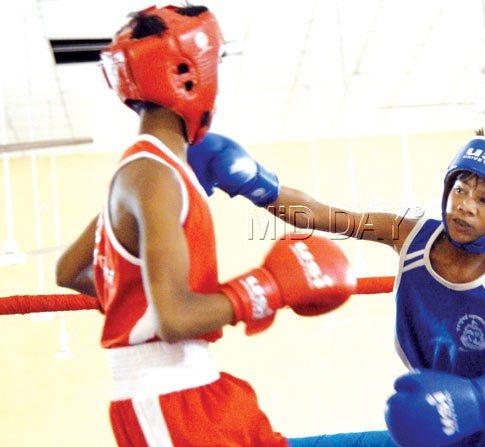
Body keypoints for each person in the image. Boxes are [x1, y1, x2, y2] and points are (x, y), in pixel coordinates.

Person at [55, 5, 355, 446]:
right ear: (188, 73)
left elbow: (70, 270)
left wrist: (132, 299)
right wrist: (266, 287)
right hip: (166, 400)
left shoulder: (155, 170)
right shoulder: (154, 176)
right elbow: (176, 319)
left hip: (200, 386)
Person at [188, 130, 485, 446]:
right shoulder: (409, 234)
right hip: (430, 412)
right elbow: (323, 214)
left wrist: (475, 402)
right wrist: (255, 183)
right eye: (460, 189)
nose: (464, 206)